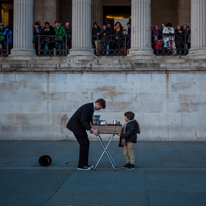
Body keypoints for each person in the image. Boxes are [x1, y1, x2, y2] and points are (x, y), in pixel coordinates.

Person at [66, 99, 106, 170]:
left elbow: (87, 119)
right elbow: (83, 120)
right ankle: (81, 166)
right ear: (98, 104)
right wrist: (92, 130)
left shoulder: (90, 107)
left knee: (85, 143)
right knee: (84, 144)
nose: (99, 109)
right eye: (100, 107)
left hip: (79, 126)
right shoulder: (88, 107)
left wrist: (92, 127)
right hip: (76, 126)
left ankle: (84, 164)